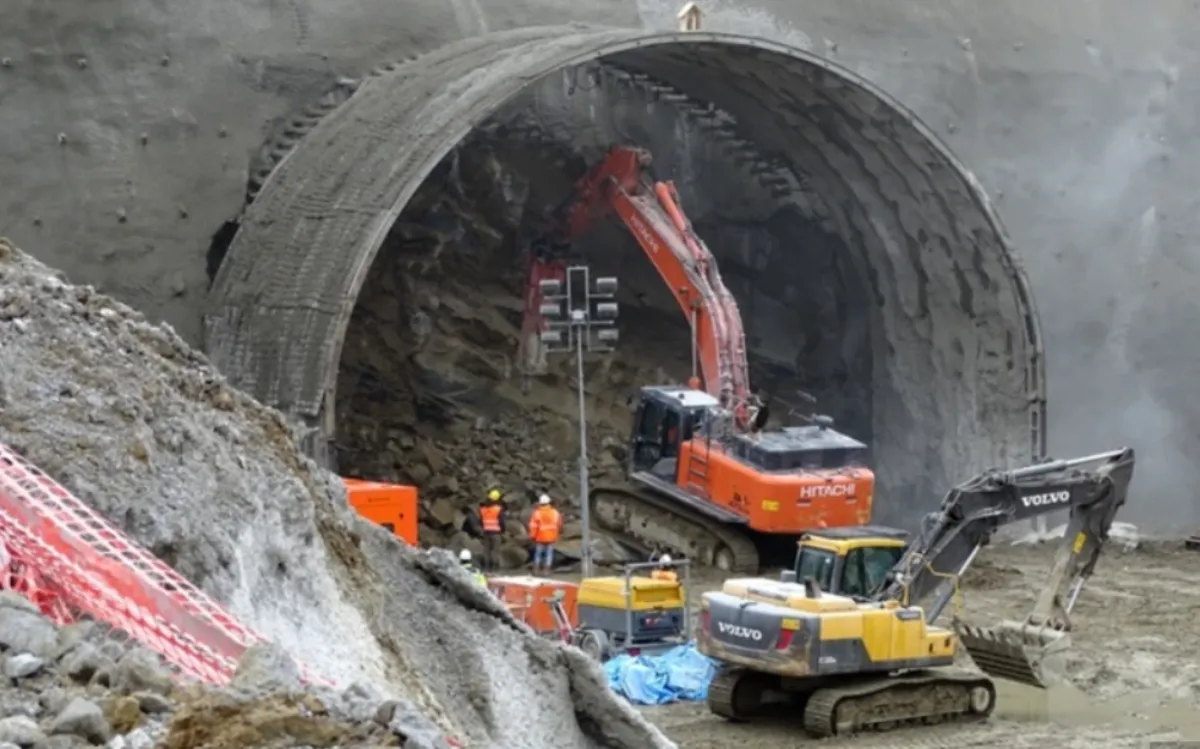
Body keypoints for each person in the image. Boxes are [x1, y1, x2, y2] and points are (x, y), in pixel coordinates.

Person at [528, 494, 563, 575]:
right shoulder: (555, 512)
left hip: (540, 537)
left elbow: (533, 526)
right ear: (548, 502)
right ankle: (546, 571)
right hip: (551, 537)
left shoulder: (537, 513)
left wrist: (532, 536)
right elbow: (559, 524)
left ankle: (536, 570)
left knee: (538, 553)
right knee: (549, 554)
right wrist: (557, 533)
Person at [477, 488, 507, 571]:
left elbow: (481, 521)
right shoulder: (498, 509)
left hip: (486, 532)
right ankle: (495, 568)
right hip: (496, 532)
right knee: (495, 551)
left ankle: (486, 567)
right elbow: (502, 521)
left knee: (486, 550)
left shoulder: (483, 509)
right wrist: (503, 530)